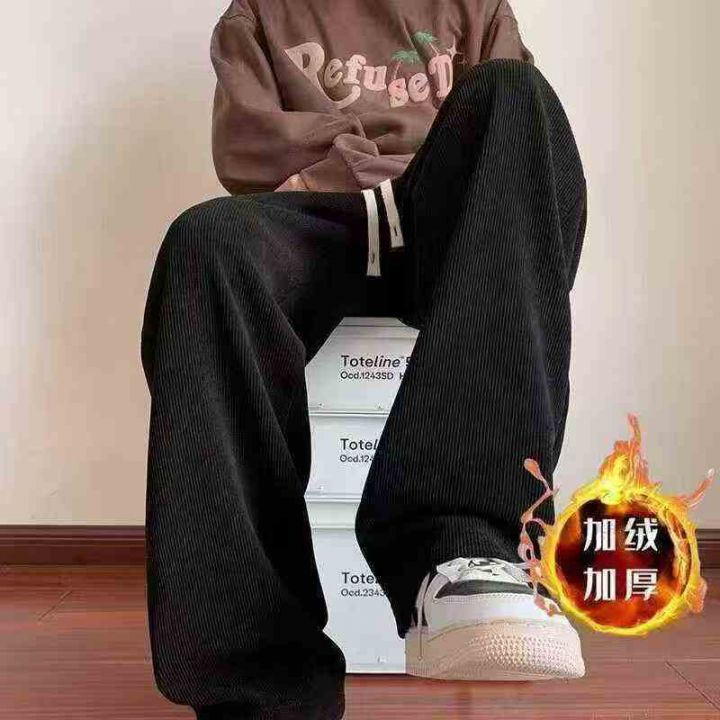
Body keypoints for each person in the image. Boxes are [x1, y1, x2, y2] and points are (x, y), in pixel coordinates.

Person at [140, 0, 588, 717]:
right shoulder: (258, 13)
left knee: (512, 91)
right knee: (207, 242)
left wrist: (405, 179)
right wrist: (370, 170)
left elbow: (518, 154)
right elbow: (248, 151)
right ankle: (258, 685)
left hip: (451, 222)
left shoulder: (475, 7)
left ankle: (463, 546)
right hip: (334, 219)